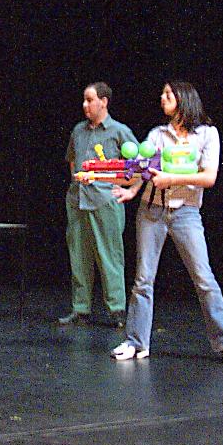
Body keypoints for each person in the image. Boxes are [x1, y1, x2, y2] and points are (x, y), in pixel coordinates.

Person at [110, 81, 223, 364]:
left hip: (186, 213)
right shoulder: (158, 134)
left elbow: (209, 177)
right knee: (143, 279)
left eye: (168, 94)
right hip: (151, 211)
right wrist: (128, 187)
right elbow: (144, 169)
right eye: (163, 93)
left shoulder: (207, 134)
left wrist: (172, 178)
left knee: (203, 277)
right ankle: (136, 342)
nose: (162, 98)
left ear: (183, 99)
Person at [58, 82, 138, 327]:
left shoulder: (119, 131)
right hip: (78, 200)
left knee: (110, 256)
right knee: (79, 256)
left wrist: (129, 189)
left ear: (103, 102)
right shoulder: (78, 131)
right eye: (84, 100)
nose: (85, 105)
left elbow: (138, 166)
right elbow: (72, 160)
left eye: (90, 100)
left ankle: (117, 310)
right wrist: (77, 181)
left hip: (105, 200)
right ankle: (81, 309)